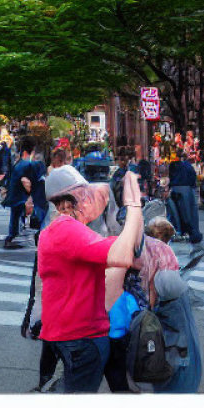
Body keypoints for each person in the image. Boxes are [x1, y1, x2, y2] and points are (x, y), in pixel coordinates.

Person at [37, 164, 145, 393]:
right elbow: (125, 254)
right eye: (84, 195)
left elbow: (131, 255)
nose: (90, 201)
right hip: (81, 335)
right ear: (69, 201)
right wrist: (134, 205)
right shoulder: (67, 230)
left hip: (69, 333)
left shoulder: (63, 230)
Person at [2, 145, 37, 249]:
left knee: (15, 217)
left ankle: (11, 238)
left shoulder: (19, 163)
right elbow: (25, 181)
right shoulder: (26, 164)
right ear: (27, 153)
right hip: (20, 197)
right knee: (17, 217)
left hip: (15, 195)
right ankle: (11, 238)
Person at [168, 156, 203, 248]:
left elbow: (170, 176)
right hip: (187, 190)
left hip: (176, 189)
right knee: (189, 213)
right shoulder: (187, 166)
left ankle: (179, 231)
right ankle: (191, 232)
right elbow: (193, 177)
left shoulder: (173, 165)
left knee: (176, 212)